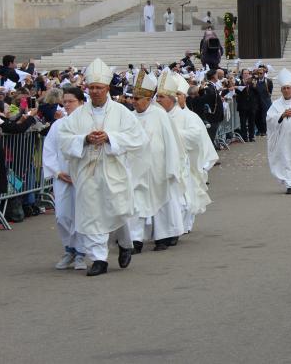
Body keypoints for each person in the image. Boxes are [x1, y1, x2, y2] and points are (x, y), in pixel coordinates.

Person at [57, 58, 149, 276]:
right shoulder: (78, 115)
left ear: (107, 88)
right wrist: (85, 139)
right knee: (92, 214)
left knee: (116, 211)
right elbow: (64, 139)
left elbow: (138, 138)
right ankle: (99, 259)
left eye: (99, 87)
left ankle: (125, 244)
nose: (96, 91)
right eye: (92, 87)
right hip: (88, 172)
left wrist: (110, 138)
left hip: (113, 170)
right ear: (87, 88)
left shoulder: (121, 112)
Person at [127, 71, 185, 252]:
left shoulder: (160, 116)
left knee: (162, 201)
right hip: (137, 168)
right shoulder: (130, 117)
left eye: (137, 99)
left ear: (147, 99)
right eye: (133, 98)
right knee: (136, 204)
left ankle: (163, 236)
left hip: (158, 168)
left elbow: (171, 142)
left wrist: (172, 166)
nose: (134, 102)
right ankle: (135, 240)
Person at [158, 71, 216, 234]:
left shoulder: (190, 117)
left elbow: (196, 137)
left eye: (179, 94)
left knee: (186, 195)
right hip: (162, 163)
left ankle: (184, 224)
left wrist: (173, 135)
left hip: (185, 163)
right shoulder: (158, 115)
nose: (176, 97)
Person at [43, 87, 87, 271]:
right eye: (65, 101)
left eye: (71, 101)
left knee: (82, 215)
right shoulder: (58, 125)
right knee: (63, 215)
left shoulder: (88, 124)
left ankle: (81, 253)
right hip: (62, 177)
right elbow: (50, 149)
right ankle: (69, 249)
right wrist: (57, 172)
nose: (66, 105)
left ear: (81, 102)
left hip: (84, 177)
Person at [235, 70, 259, 142]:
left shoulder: (253, 82)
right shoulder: (239, 82)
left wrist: (254, 86)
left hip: (251, 105)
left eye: (247, 73)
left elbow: (257, 92)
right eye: (244, 73)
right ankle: (244, 137)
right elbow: (237, 92)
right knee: (243, 122)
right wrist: (242, 86)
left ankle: (251, 136)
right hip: (242, 105)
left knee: (251, 122)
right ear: (242, 74)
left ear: (249, 74)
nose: (246, 75)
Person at [254, 66, 273, 137]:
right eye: (258, 73)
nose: (260, 75)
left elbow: (270, 91)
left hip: (265, 101)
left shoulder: (268, 81)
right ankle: (259, 130)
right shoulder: (255, 81)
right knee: (257, 116)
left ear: (264, 73)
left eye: (261, 73)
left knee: (264, 116)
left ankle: (264, 131)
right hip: (257, 101)